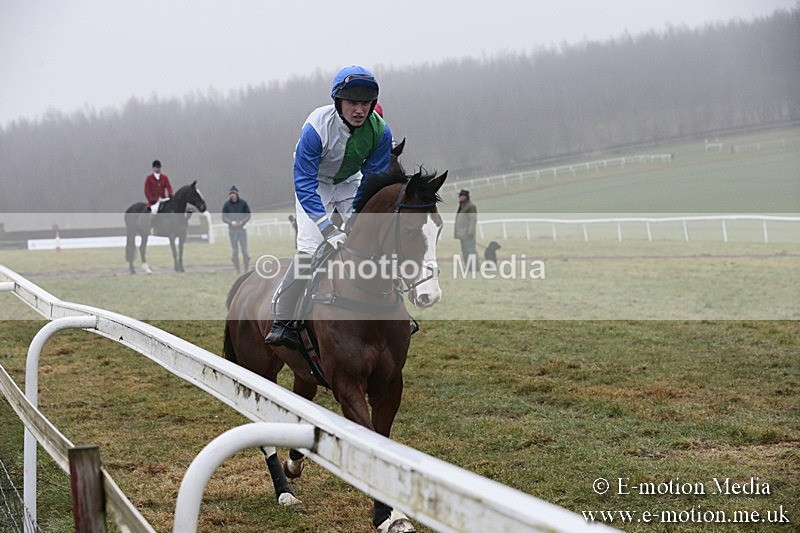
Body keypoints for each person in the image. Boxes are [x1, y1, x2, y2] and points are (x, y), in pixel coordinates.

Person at [265, 65, 394, 350]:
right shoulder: (316, 127)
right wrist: (326, 227)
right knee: (311, 250)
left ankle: (389, 311)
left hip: (351, 184)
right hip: (315, 185)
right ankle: (283, 319)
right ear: (338, 102)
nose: (359, 110)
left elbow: (372, 179)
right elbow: (304, 182)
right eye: (352, 103)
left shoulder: (381, 131)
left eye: (365, 103)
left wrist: (355, 222)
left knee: (371, 242)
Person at [222, 185, 252, 273]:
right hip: (232, 231)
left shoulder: (243, 203)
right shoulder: (226, 205)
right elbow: (224, 217)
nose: (232, 195)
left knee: (244, 250)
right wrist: (231, 222)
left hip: (242, 230)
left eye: (233, 193)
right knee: (235, 251)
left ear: (236, 194)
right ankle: (237, 269)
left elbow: (248, 215)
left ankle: (246, 268)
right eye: (230, 194)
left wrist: (242, 222)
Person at [454, 189, 478, 266]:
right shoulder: (462, 206)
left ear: (465, 197)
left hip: (468, 233)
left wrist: (470, 232)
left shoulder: (471, 206)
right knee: (464, 250)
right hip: (462, 233)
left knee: (471, 250)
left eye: (461, 196)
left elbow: (472, 220)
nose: (459, 197)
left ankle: (474, 266)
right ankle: (468, 266)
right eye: (459, 195)